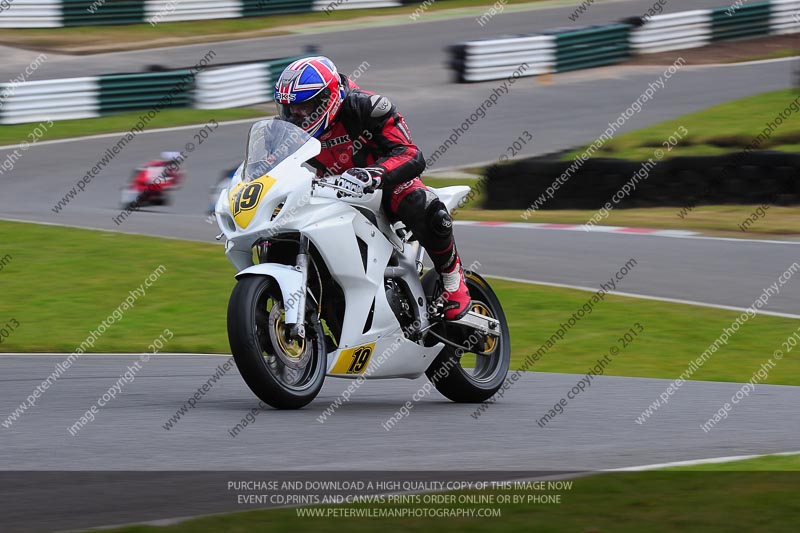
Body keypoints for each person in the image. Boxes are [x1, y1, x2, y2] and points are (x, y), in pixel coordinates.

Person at [274, 56, 471, 320]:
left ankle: (453, 282)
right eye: (289, 108)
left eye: (303, 107)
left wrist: (374, 174)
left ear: (327, 98)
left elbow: (411, 154)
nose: (295, 115)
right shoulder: (289, 129)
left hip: (383, 186)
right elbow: (270, 164)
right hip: (331, 191)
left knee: (419, 202)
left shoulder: (367, 107)